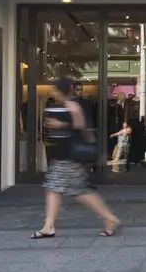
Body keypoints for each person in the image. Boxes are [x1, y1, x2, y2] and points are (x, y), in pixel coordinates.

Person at [31, 78, 119, 240]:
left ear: (60, 91)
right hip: (64, 155)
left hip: (70, 156)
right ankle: (48, 226)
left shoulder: (72, 106)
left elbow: (79, 127)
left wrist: (60, 125)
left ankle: (109, 218)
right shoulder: (64, 106)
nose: (53, 93)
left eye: (55, 90)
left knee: (77, 191)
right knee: (58, 189)